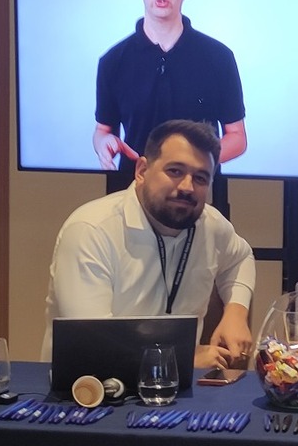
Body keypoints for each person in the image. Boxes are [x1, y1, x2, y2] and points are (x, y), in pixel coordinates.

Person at [49, 119, 256, 369]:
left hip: (183, 388)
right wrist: (183, 359)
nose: (187, 187)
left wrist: (236, 313)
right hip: (92, 386)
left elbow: (241, 258)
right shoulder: (91, 230)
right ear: (142, 170)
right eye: (175, 171)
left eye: (200, 178)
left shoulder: (210, 225)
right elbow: (92, 345)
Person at [92, 0, 247, 173]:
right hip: (134, 187)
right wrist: (103, 143)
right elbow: (103, 130)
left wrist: (194, 163)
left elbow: (237, 137)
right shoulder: (113, 61)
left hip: (199, 189)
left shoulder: (218, 57)